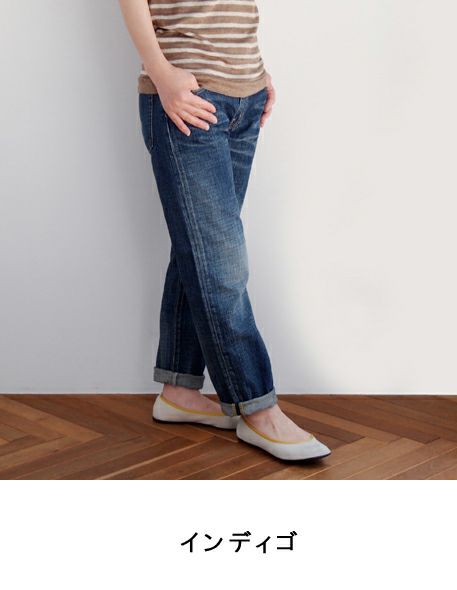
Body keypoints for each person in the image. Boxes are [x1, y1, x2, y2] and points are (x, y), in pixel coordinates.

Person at [118, 0, 330, 461]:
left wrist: (255, 71)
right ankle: (257, 407)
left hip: (246, 94)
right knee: (221, 266)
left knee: (199, 252)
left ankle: (179, 391)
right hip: (189, 98)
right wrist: (160, 72)